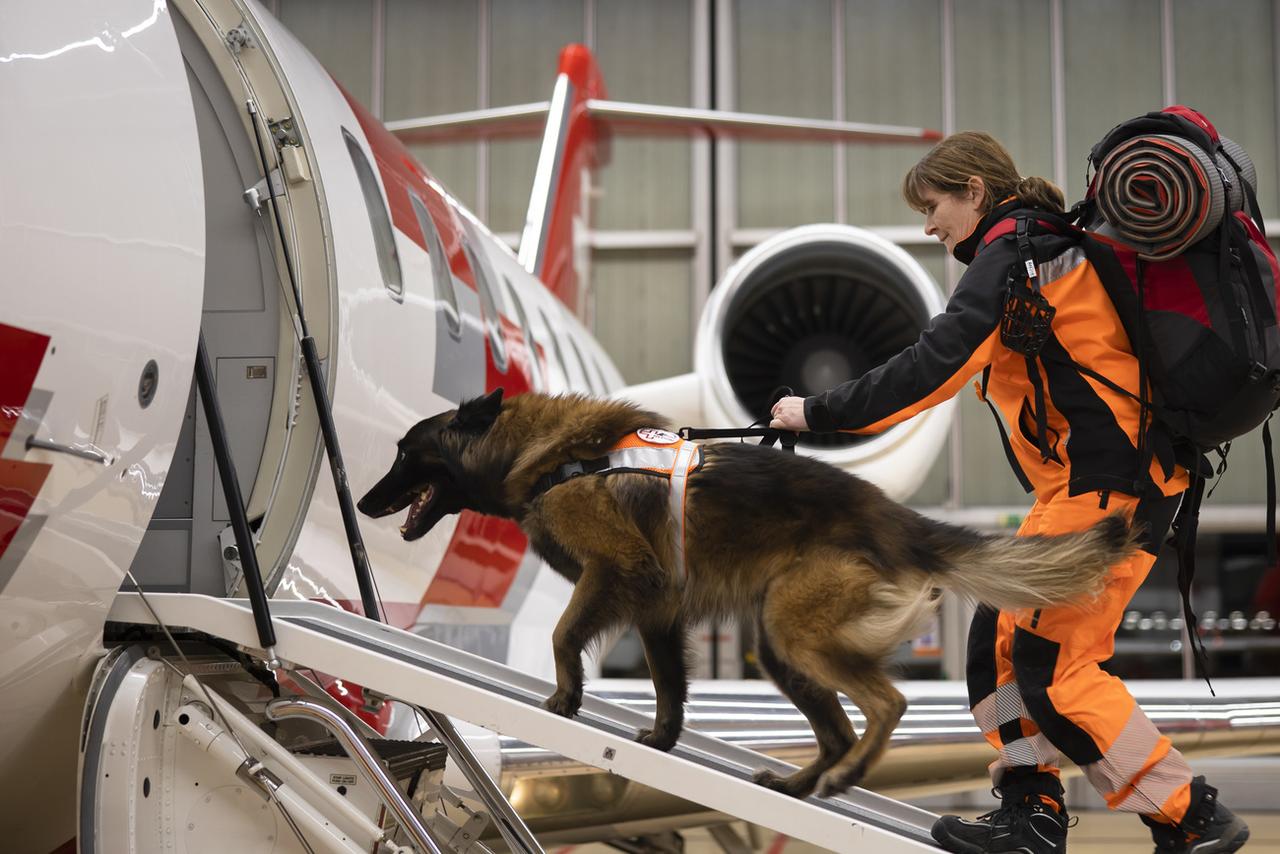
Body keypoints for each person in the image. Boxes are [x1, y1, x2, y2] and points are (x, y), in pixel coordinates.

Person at [769, 131, 1250, 854]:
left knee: (1055, 668)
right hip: (1078, 491)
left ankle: (1190, 815)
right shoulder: (1030, 255)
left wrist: (817, 412)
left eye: (933, 206)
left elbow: (934, 366)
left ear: (974, 191)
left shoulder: (1013, 252)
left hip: (1107, 490)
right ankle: (1031, 812)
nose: (928, 225)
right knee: (994, 646)